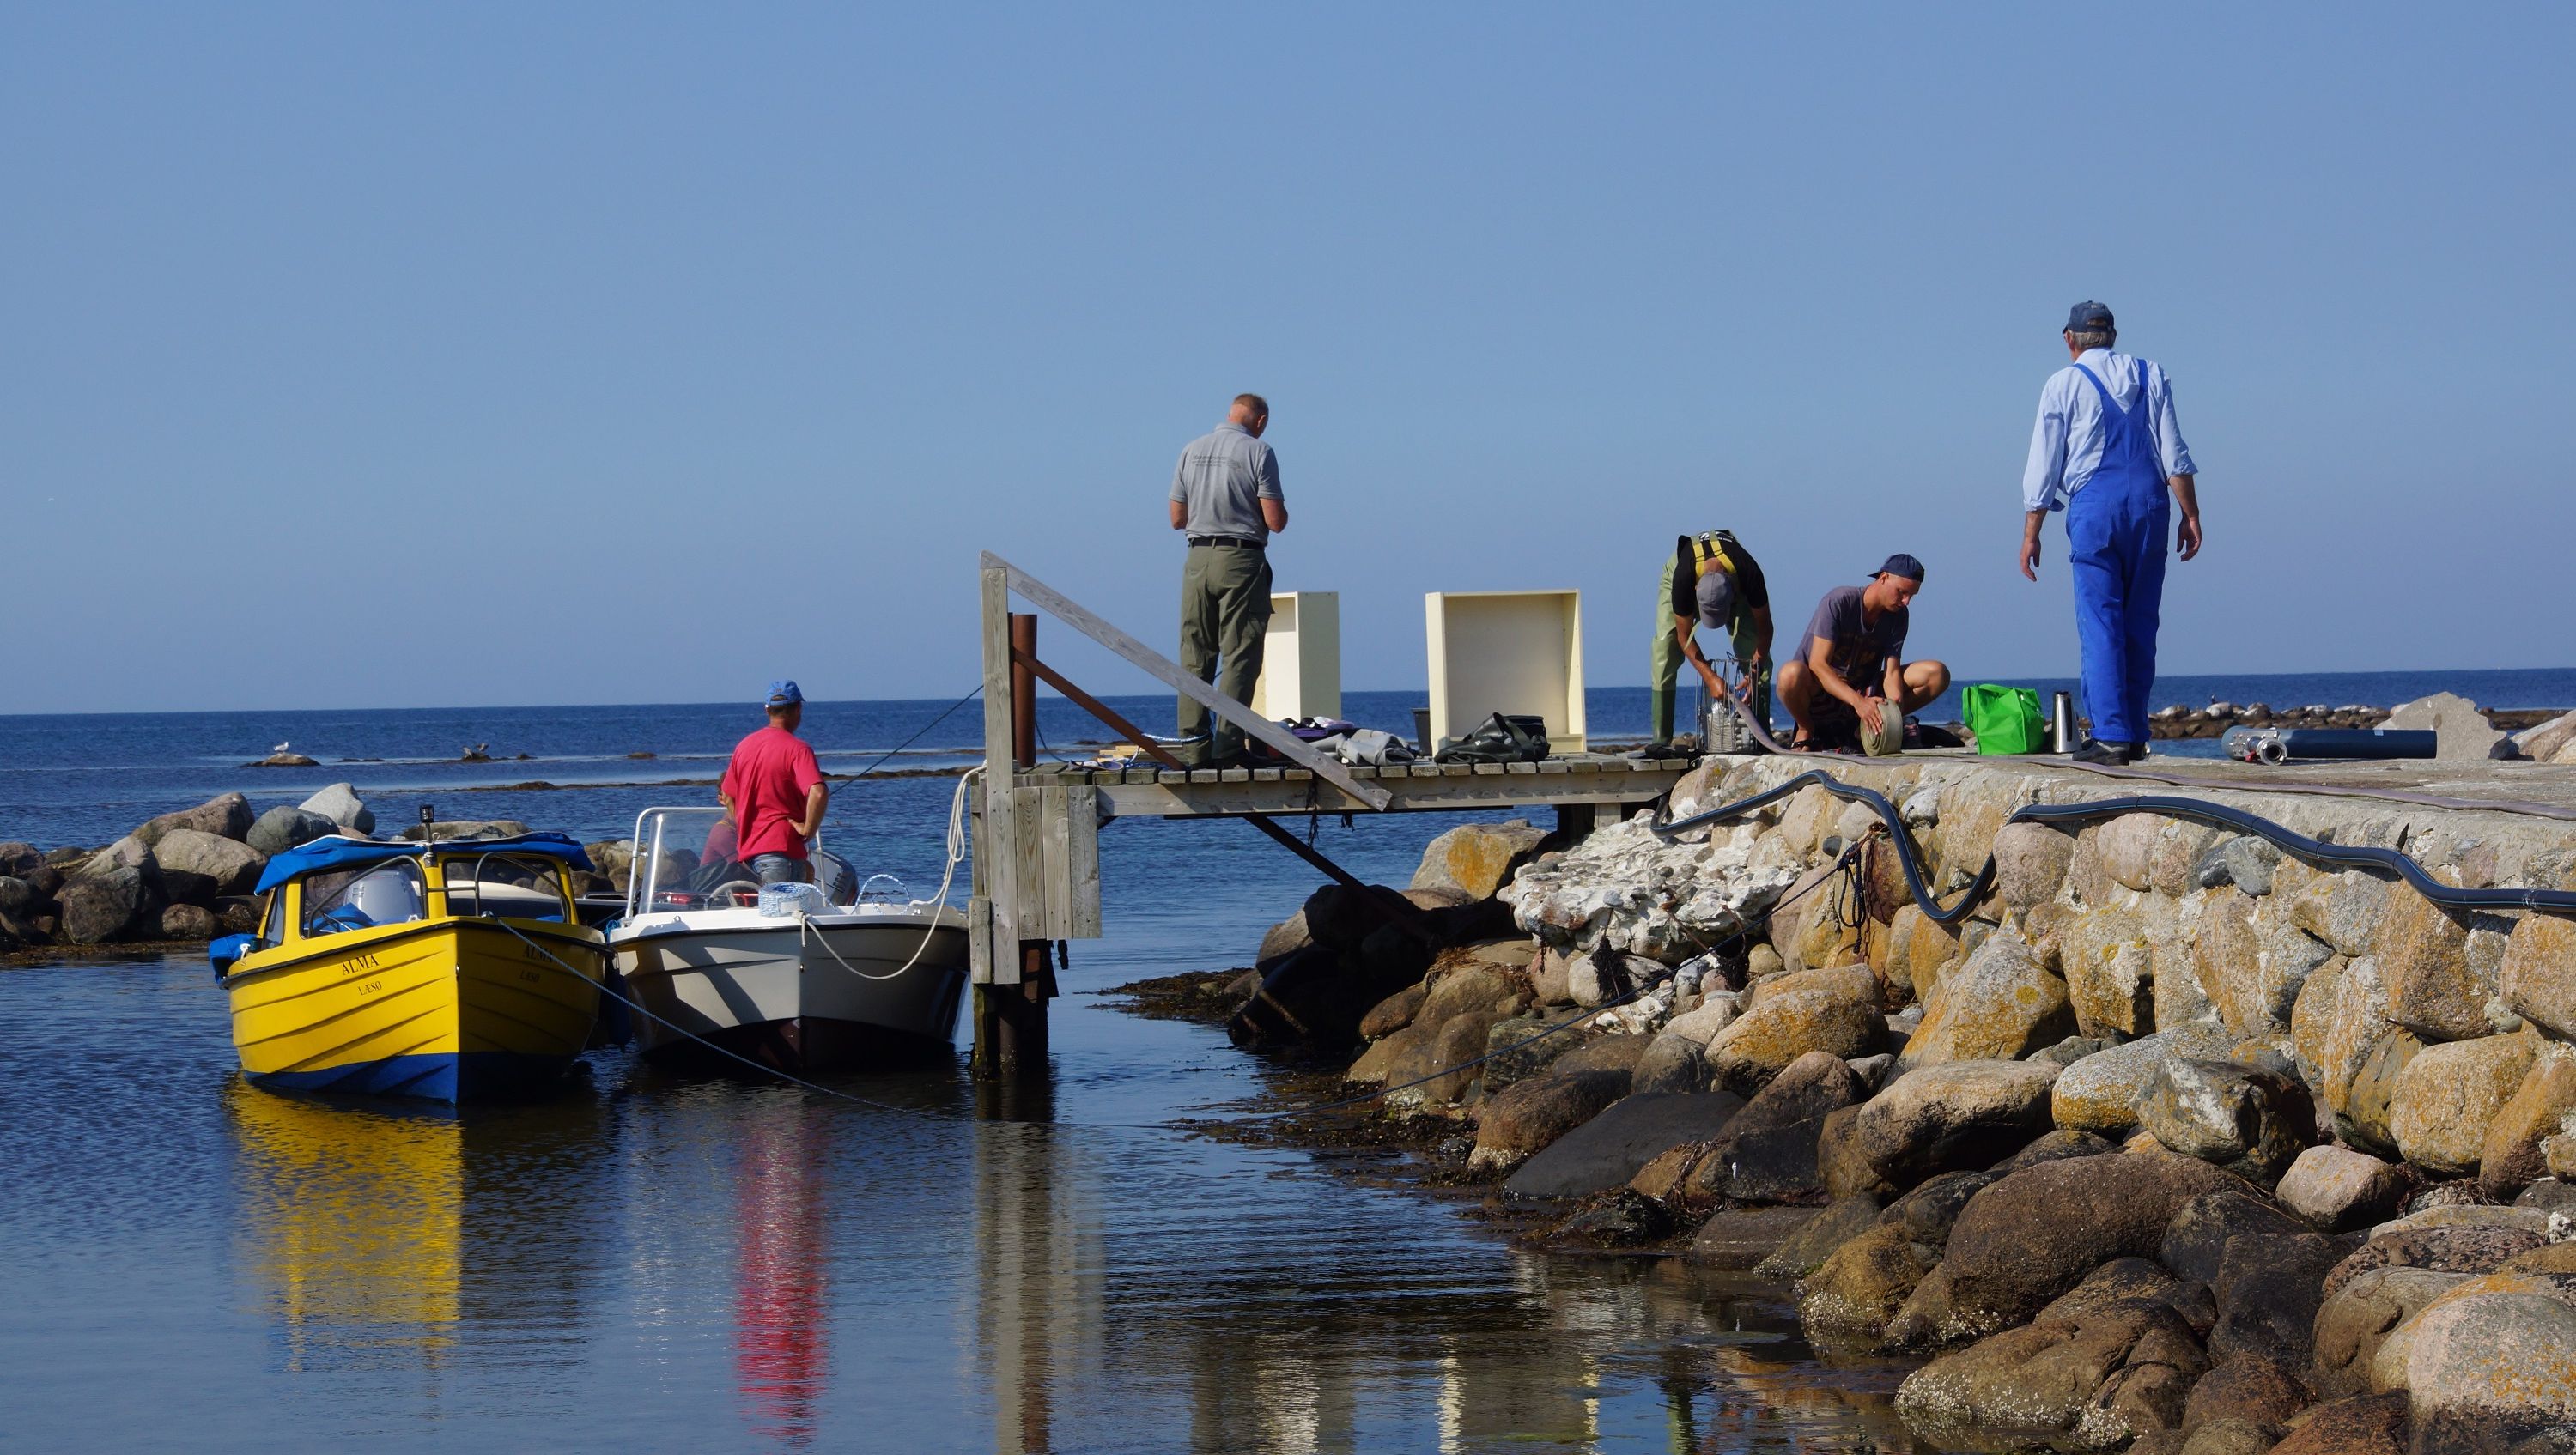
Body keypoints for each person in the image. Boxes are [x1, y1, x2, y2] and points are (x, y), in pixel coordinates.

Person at [2020, 301, 2202, 765]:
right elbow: (2173, 452)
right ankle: (2137, 733)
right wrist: (2191, 514)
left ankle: (2111, 736)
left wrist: (2032, 532)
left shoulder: (2063, 383)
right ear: (2114, 335)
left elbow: (2044, 464)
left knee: (2102, 623)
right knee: (2142, 622)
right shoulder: (2152, 373)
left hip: (2095, 508)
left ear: (2070, 340)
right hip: (2150, 505)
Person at [1168, 393, 1287, 767]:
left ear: (1229, 414)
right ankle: (1229, 748)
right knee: (1240, 656)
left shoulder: (1192, 449)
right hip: (1241, 557)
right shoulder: (1259, 451)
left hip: (1196, 558)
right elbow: (1275, 521)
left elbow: (1176, 518)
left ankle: (1194, 750)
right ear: (1260, 420)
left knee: (1195, 657)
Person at [1777, 555, 1951, 753]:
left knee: (1937, 674)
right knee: (1789, 674)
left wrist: (1892, 711)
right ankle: (1805, 728)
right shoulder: (1838, 602)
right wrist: (1859, 703)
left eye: (1912, 596)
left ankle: (1869, 726)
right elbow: (1818, 665)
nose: (1906, 602)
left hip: (1865, 690)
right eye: (1902, 592)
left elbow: (1891, 672)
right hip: (1823, 692)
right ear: (1883, 578)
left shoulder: (1899, 615)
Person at [1649, 530, 1774, 746]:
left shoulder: (1749, 572)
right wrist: (1710, 678)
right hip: (1679, 568)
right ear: (1696, 590)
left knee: (1752, 645)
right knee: (1665, 646)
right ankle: (1661, 738)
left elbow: (1765, 628)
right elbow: (1683, 636)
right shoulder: (1683, 579)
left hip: (1737, 580)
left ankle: (1762, 737)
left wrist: (1755, 669)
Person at [718, 680, 827, 885]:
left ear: (767, 710)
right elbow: (818, 792)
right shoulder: (798, 749)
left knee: (770, 914)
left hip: (751, 855)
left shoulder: (744, 746)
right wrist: (808, 829)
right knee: (788, 915)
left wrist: (743, 825)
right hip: (781, 853)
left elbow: (728, 794)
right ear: (798, 709)